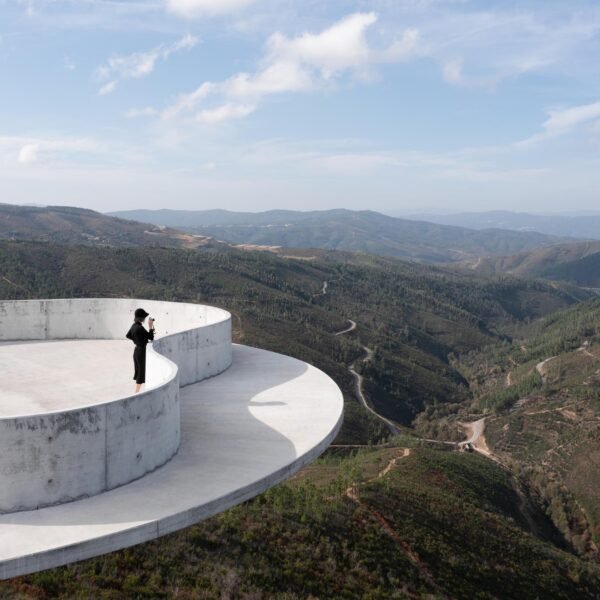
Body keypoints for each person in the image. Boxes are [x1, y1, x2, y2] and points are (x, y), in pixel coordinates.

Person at [126, 308, 155, 393]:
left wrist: (136, 340)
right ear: (141, 318)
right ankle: (136, 393)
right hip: (141, 352)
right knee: (141, 373)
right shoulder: (140, 328)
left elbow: (128, 335)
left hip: (136, 351)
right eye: (144, 317)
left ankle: (137, 392)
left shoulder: (134, 326)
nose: (145, 319)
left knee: (139, 371)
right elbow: (151, 337)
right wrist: (150, 326)